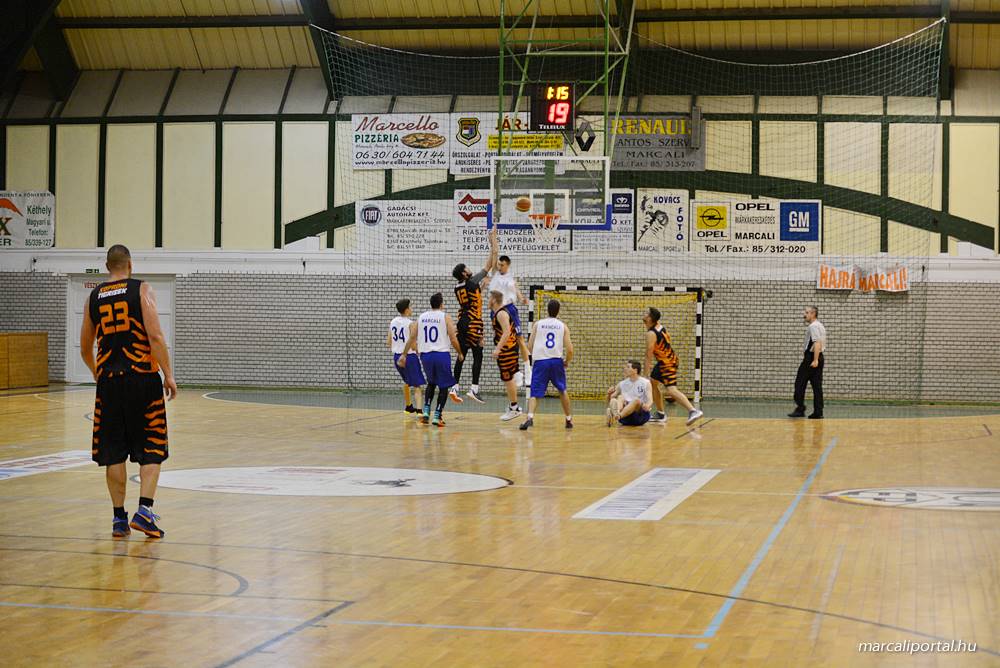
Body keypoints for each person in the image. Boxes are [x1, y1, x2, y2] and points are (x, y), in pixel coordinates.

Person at [79, 245, 177, 539]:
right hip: (142, 378)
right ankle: (145, 511)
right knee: (152, 446)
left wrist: (97, 373)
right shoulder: (141, 289)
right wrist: (169, 374)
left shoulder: (93, 297)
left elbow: (85, 348)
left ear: (107, 266)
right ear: (130, 265)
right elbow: (155, 336)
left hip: (109, 382)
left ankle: (119, 519)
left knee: (114, 453)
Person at [399, 292, 464, 427]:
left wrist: (404, 354)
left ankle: (426, 411)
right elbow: (453, 338)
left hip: (426, 356)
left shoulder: (422, 317)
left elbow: (412, 337)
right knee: (444, 386)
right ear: (441, 304)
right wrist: (459, 352)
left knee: (431, 383)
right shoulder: (445, 317)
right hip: (441, 355)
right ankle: (437, 416)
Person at [451, 228, 498, 403]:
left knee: (461, 355)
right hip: (473, 322)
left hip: (461, 321)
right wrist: (493, 243)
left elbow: (471, 299)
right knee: (478, 354)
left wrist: (481, 288)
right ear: (464, 273)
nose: (469, 269)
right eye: (467, 268)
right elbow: (489, 266)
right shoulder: (472, 281)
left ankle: (454, 387)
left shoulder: (458, 286)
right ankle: (474, 389)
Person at [520, 298, 573, 431]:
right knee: (562, 390)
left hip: (541, 362)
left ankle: (530, 417)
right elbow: (570, 350)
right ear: (558, 311)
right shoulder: (563, 326)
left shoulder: (538, 324)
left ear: (547, 310)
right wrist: (566, 361)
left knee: (535, 392)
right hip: (556, 361)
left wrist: (536, 355)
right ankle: (568, 419)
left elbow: (529, 346)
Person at [644, 307, 703, 426]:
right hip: (666, 360)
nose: (644, 314)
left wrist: (645, 373)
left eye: (646, 313)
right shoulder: (659, 326)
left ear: (650, 318)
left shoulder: (651, 333)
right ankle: (660, 414)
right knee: (653, 382)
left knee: (671, 390)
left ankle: (693, 411)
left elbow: (648, 354)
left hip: (667, 363)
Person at [490, 254, 530, 385]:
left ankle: (527, 369)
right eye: (499, 264)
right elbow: (494, 253)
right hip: (497, 310)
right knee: (502, 340)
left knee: (519, 339)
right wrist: (493, 241)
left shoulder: (511, 278)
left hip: (509, 309)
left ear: (507, 265)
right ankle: (516, 371)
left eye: (502, 265)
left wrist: (522, 298)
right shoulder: (495, 274)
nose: (499, 266)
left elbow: (516, 289)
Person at [488, 290, 523, 421]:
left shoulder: (501, 313)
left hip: (507, 350)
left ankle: (514, 408)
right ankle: (514, 406)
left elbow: (507, 332)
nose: (488, 300)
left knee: (508, 379)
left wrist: (498, 349)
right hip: (509, 349)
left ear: (494, 300)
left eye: (489, 298)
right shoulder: (498, 313)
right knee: (508, 378)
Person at [789, 305, 826, 419]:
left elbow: (817, 343)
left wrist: (814, 360)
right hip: (818, 357)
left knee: (799, 384)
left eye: (806, 312)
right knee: (817, 387)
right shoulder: (820, 325)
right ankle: (818, 412)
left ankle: (800, 408)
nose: (804, 315)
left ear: (813, 314)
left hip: (811, 358)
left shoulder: (813, 326)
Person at [388, 299, 424, 414]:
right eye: (410, 307)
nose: (411, 309)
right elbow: (412, 344)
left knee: (407, 381)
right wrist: (419, 350)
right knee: (417, 385)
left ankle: (408, 406)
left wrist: (398, 347)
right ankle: (420, 411)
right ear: (407, 309)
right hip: (409, 357)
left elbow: (389, 342)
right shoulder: (410, 323)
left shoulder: (393, 321)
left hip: (396, 357)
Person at [606, 361, 653, 427]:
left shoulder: (646, 383)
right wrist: (609, 394)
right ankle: (616, 414)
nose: (625, 369)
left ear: (635, 370)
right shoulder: (622, 384)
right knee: (620, 397)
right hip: (625, 417)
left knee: (636, 400)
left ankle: (616, 416)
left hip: (640, 416)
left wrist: (647, 406)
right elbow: (610, 401)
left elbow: (650, 400)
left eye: (628, 367)